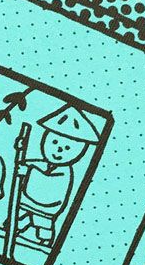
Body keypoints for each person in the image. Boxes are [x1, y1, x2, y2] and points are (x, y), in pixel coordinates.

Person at [12, 105, 101, 247]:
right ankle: (15, 228)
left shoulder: (65, 172)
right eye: (54, 142)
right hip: (27, 203)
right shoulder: (41, 164)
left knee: (43, 226)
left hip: (47, 208)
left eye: (67, 148)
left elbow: (48, 182)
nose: (59, 150)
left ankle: (44, 242)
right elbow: (29, 164)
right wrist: (21, 149)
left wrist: (28, 172)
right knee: (19, 218)